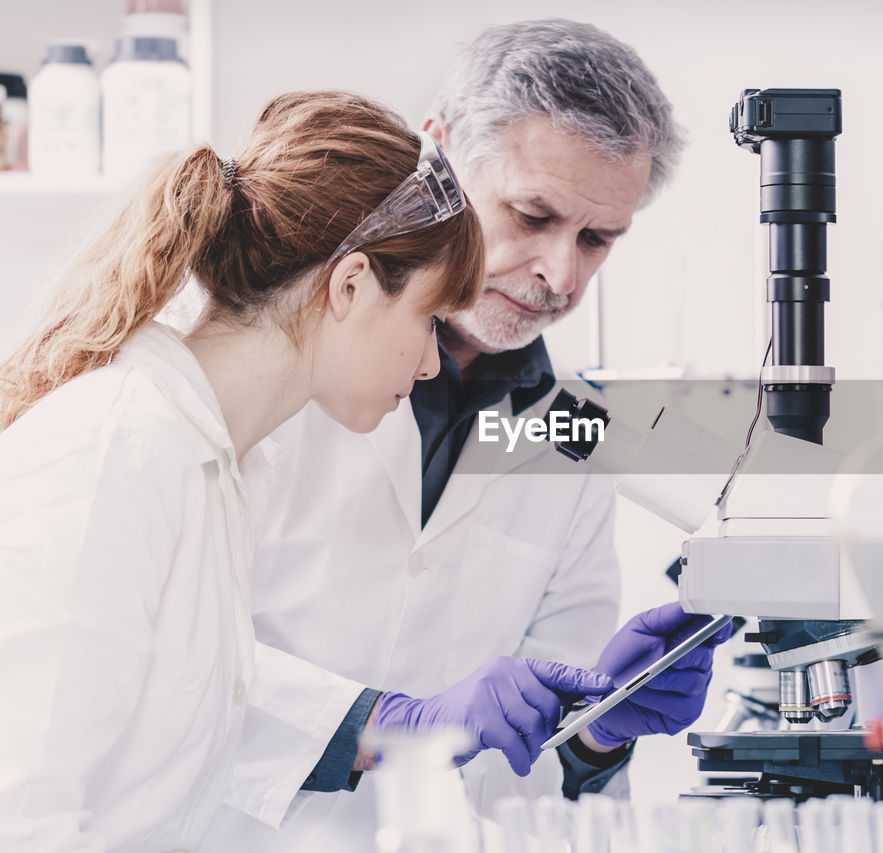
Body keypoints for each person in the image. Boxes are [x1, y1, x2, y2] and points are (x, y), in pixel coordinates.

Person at [204, 19, 719, 850]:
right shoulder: (277, 355)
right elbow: (166, 662)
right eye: (532, 215)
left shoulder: (578, 437)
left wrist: (598, 728)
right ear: (435, 152)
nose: (562, 273)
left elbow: (532, 770)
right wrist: (383, 722)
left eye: (596, 239)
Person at [0, 89, 560, 851]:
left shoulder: (220, 467)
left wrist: (398, 724)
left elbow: (174, 714)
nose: (433, 362)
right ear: (351, 283)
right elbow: (21, 811)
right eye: (427, 317)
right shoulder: (118, 449)